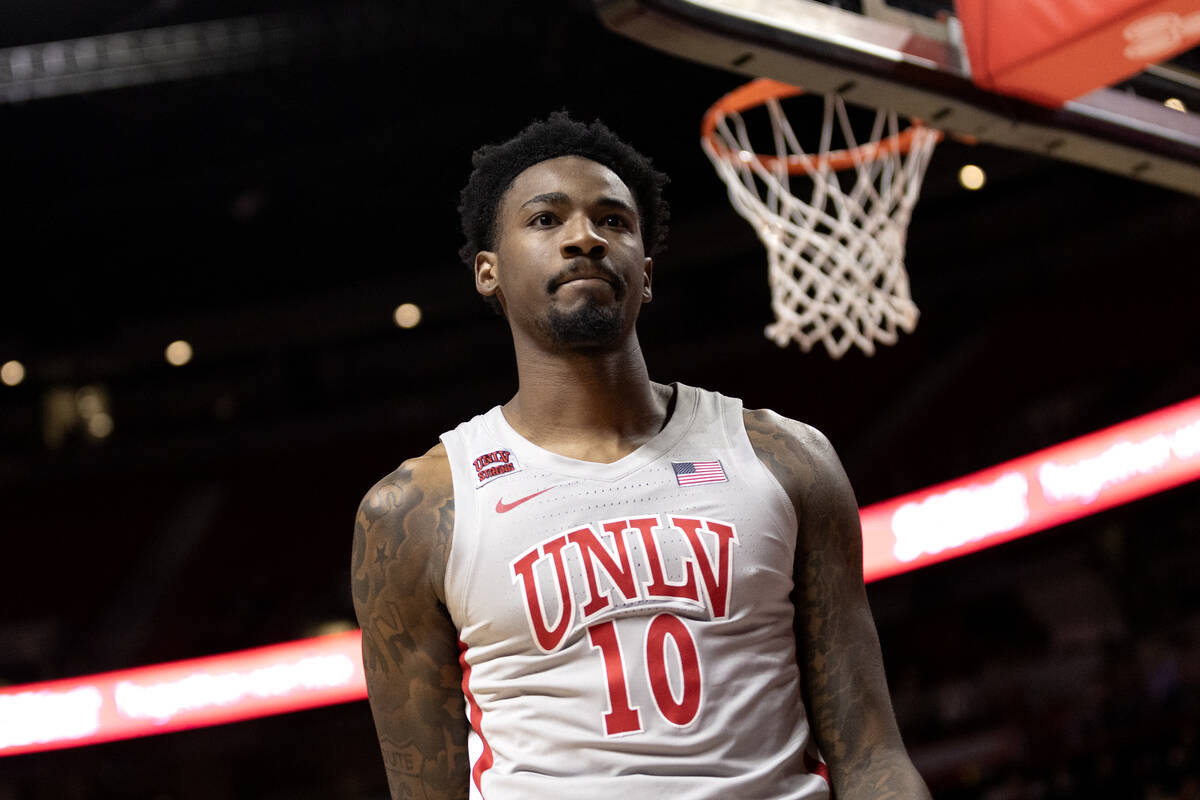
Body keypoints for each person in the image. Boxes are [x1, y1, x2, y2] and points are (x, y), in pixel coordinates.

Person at [351, 112, 930, 800]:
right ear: (488, 271)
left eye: (614, 221)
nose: (585, 238)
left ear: (646, 274)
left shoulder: (785, 457)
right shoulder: (416, 510)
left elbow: (872, 758)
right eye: (545, 220)